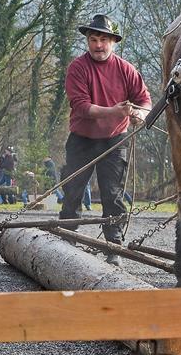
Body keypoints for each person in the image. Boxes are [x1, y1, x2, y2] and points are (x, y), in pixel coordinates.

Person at [61, 14, 151, 263]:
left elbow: (145, 101)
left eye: (103, 39)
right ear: (87, 41)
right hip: (82, 139)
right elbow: (82, 108)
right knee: (72, 192)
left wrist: (139, 115)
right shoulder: (78, 68)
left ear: (113, 42)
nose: (98, 45)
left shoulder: (126, 69)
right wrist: (116, 111)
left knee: (113, 195)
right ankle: (67, 238)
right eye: (93, 39)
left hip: (114, 141)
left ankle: (114, 247)